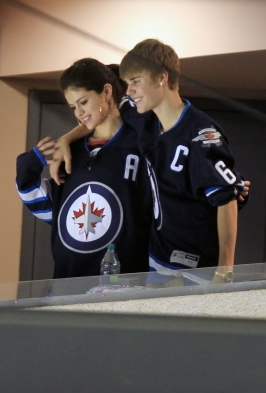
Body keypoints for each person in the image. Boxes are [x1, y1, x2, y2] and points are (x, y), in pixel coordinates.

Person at [50, 40, 250, 285]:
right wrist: (66, 139)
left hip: (195, 265)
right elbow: (101, 114)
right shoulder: (143, 118)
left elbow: (225, 198)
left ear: (161, 78)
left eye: (135, 81)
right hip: (156, 260)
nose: (130, 91)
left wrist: (224, 270)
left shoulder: (201, 133)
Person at [16, 59, 152, 279]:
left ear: (106, 92)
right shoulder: (71, 151)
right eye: (73, 107)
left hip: (124, 288)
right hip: (67, 288)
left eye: (83, 102)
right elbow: (54, 209)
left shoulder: (141, 144)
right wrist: (28, 166)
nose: (78, 113)